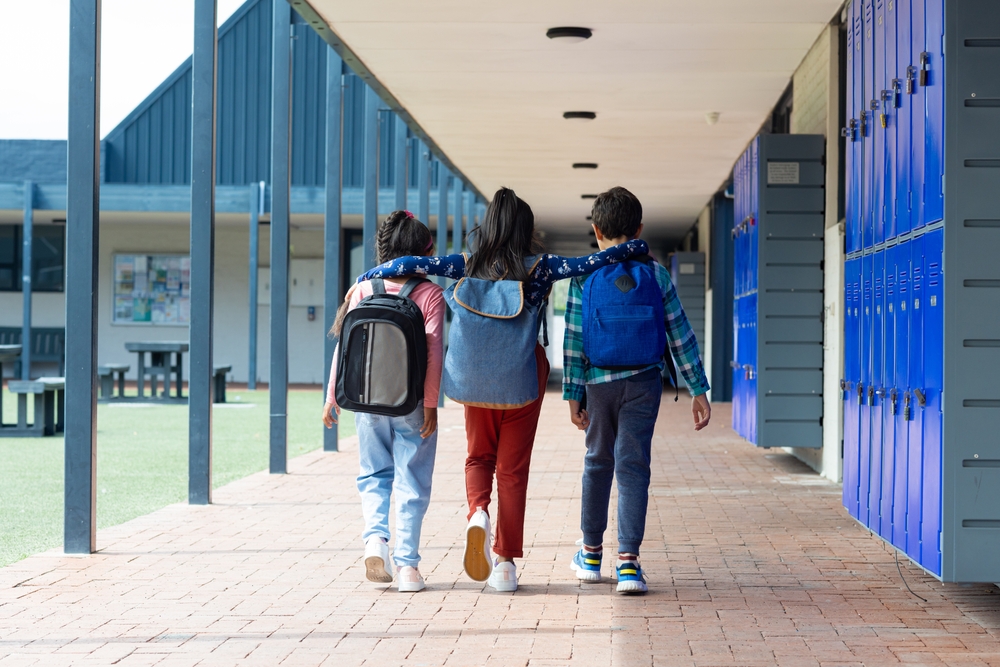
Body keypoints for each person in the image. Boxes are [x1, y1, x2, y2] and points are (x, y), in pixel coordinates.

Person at [356, 187, 650, 593]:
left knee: (479, 456)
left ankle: (478, 512)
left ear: (488, 225)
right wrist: (636, 245)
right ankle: (506, 564)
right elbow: (594, 260)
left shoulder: (465, 263)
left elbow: (412, 263)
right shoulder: (542, 267)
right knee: (513, 470)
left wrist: (368, 276)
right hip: (521, 378)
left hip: (474, 378)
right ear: (525, 231)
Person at [562, 186, 711, 595]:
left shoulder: (584, 275)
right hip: (645, 382)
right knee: (633, 467)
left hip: (597, 383)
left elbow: (574, 339)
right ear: (640, 228)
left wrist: (572, 395)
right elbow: (679, 332)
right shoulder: (656, 273)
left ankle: (590, 555)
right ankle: (628, 564)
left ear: (596, 230)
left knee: (597, 462)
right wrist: (697, 386)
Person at [322, 210, 445, 593]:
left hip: (366, 400)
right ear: (423, 254)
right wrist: (429, 404)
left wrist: (332, 397)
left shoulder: (361, 291)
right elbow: (435, 352)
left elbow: (344, 348)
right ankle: (408, 566)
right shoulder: (430, 294)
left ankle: (376, 541)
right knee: (412, 479)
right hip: (410, 402)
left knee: (373, 475)